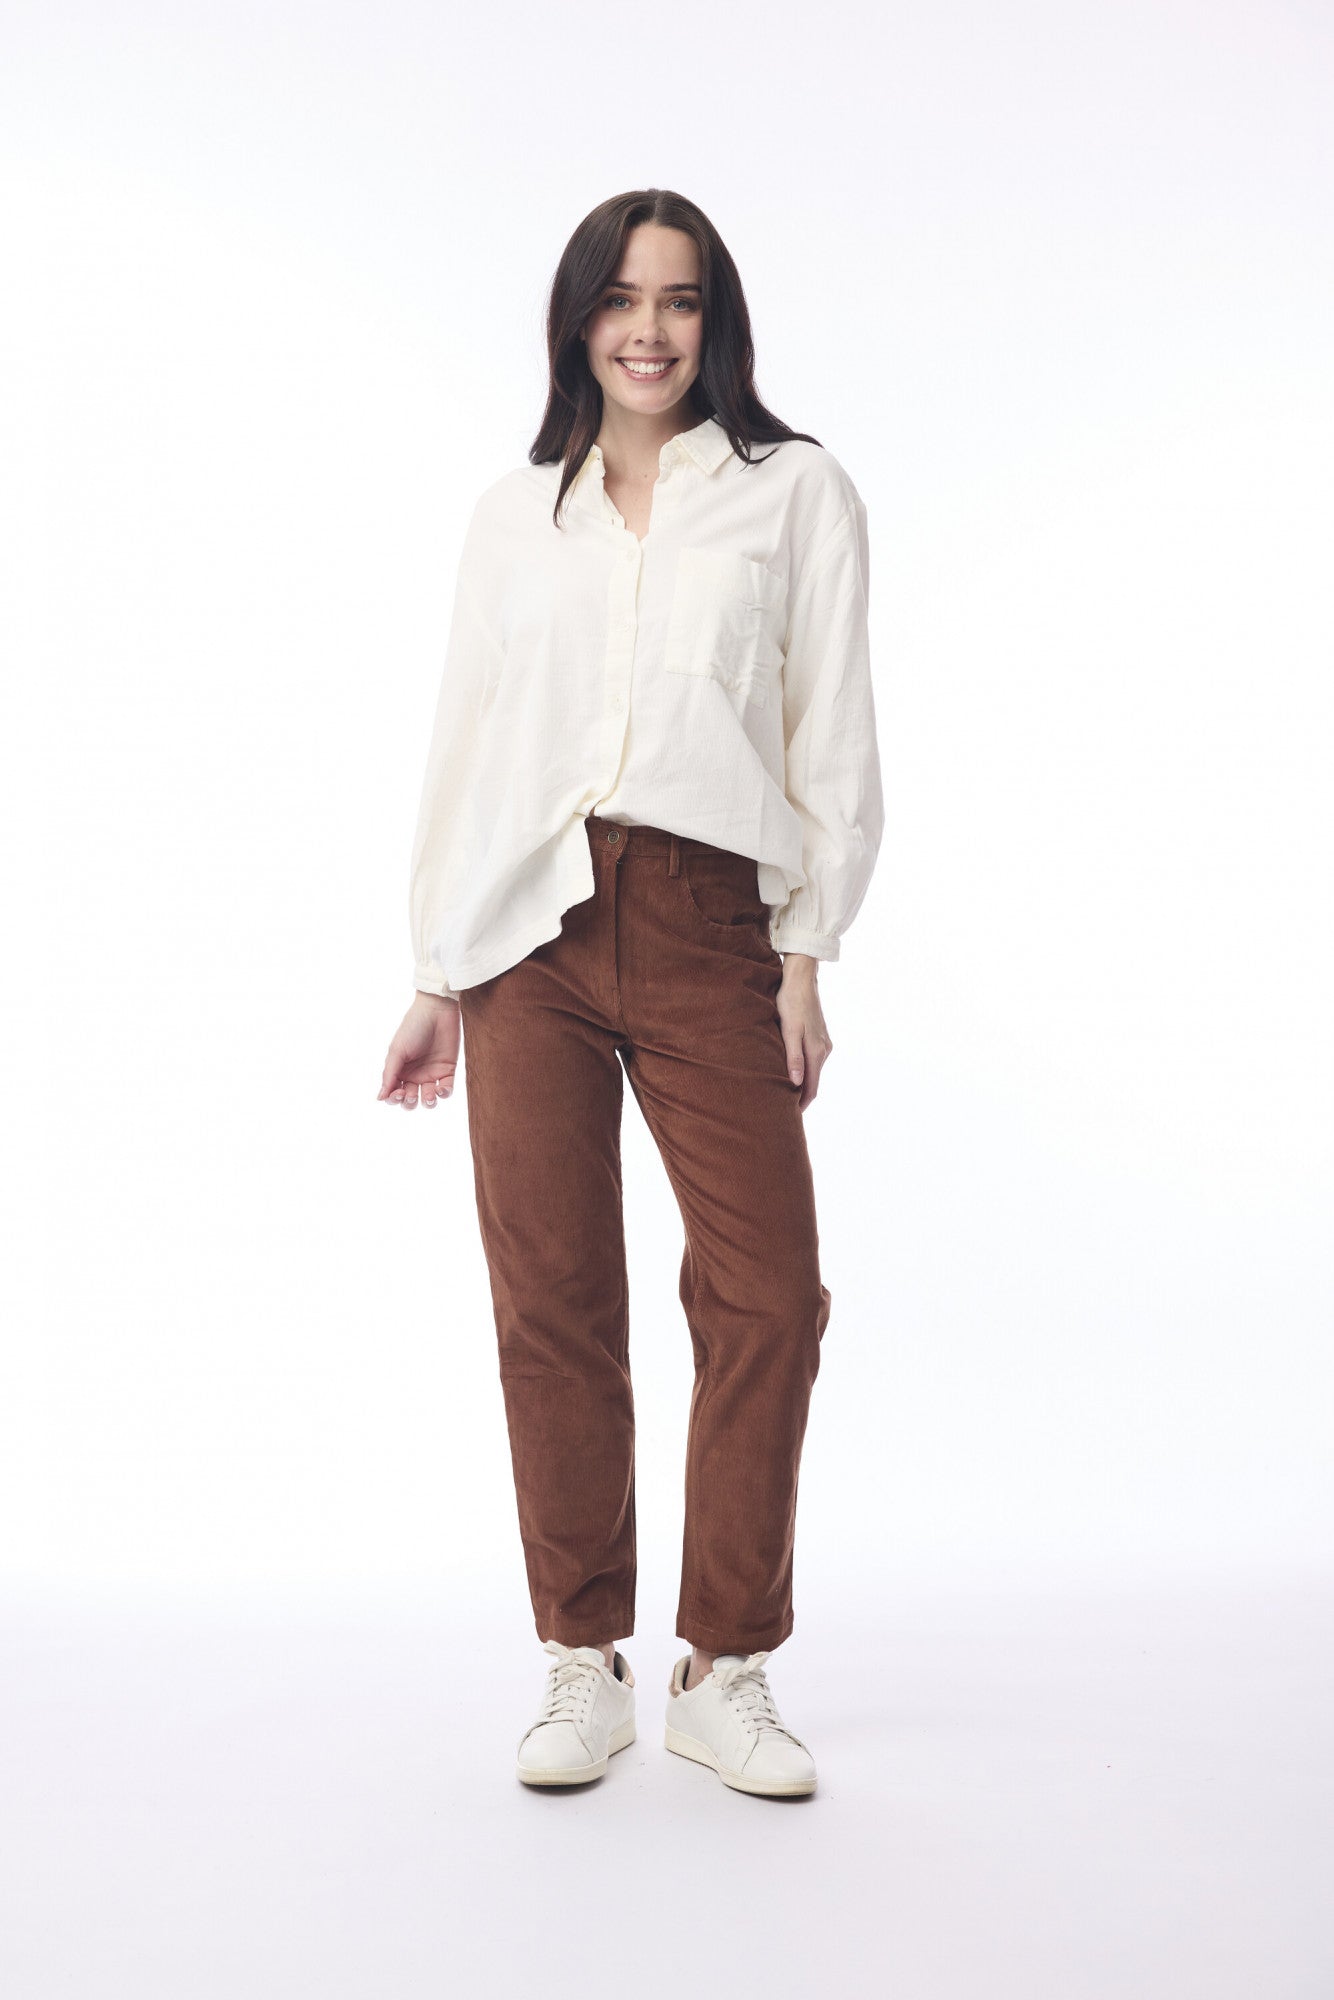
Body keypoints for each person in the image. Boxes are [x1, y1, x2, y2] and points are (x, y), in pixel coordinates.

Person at [378, 188, 884, 1799]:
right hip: (523, 930)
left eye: (676, 300)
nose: (647, 331)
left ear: (713, 320)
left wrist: (804, 955)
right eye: (618, 299)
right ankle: (579, 1658)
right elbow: (467, 742)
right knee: (552, 1297)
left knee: (767, 1296)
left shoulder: (793, 493)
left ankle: (722, 1667)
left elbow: (830, 732)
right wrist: (433, 971)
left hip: (706, 917)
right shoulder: (515, 515)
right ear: (577, 321)